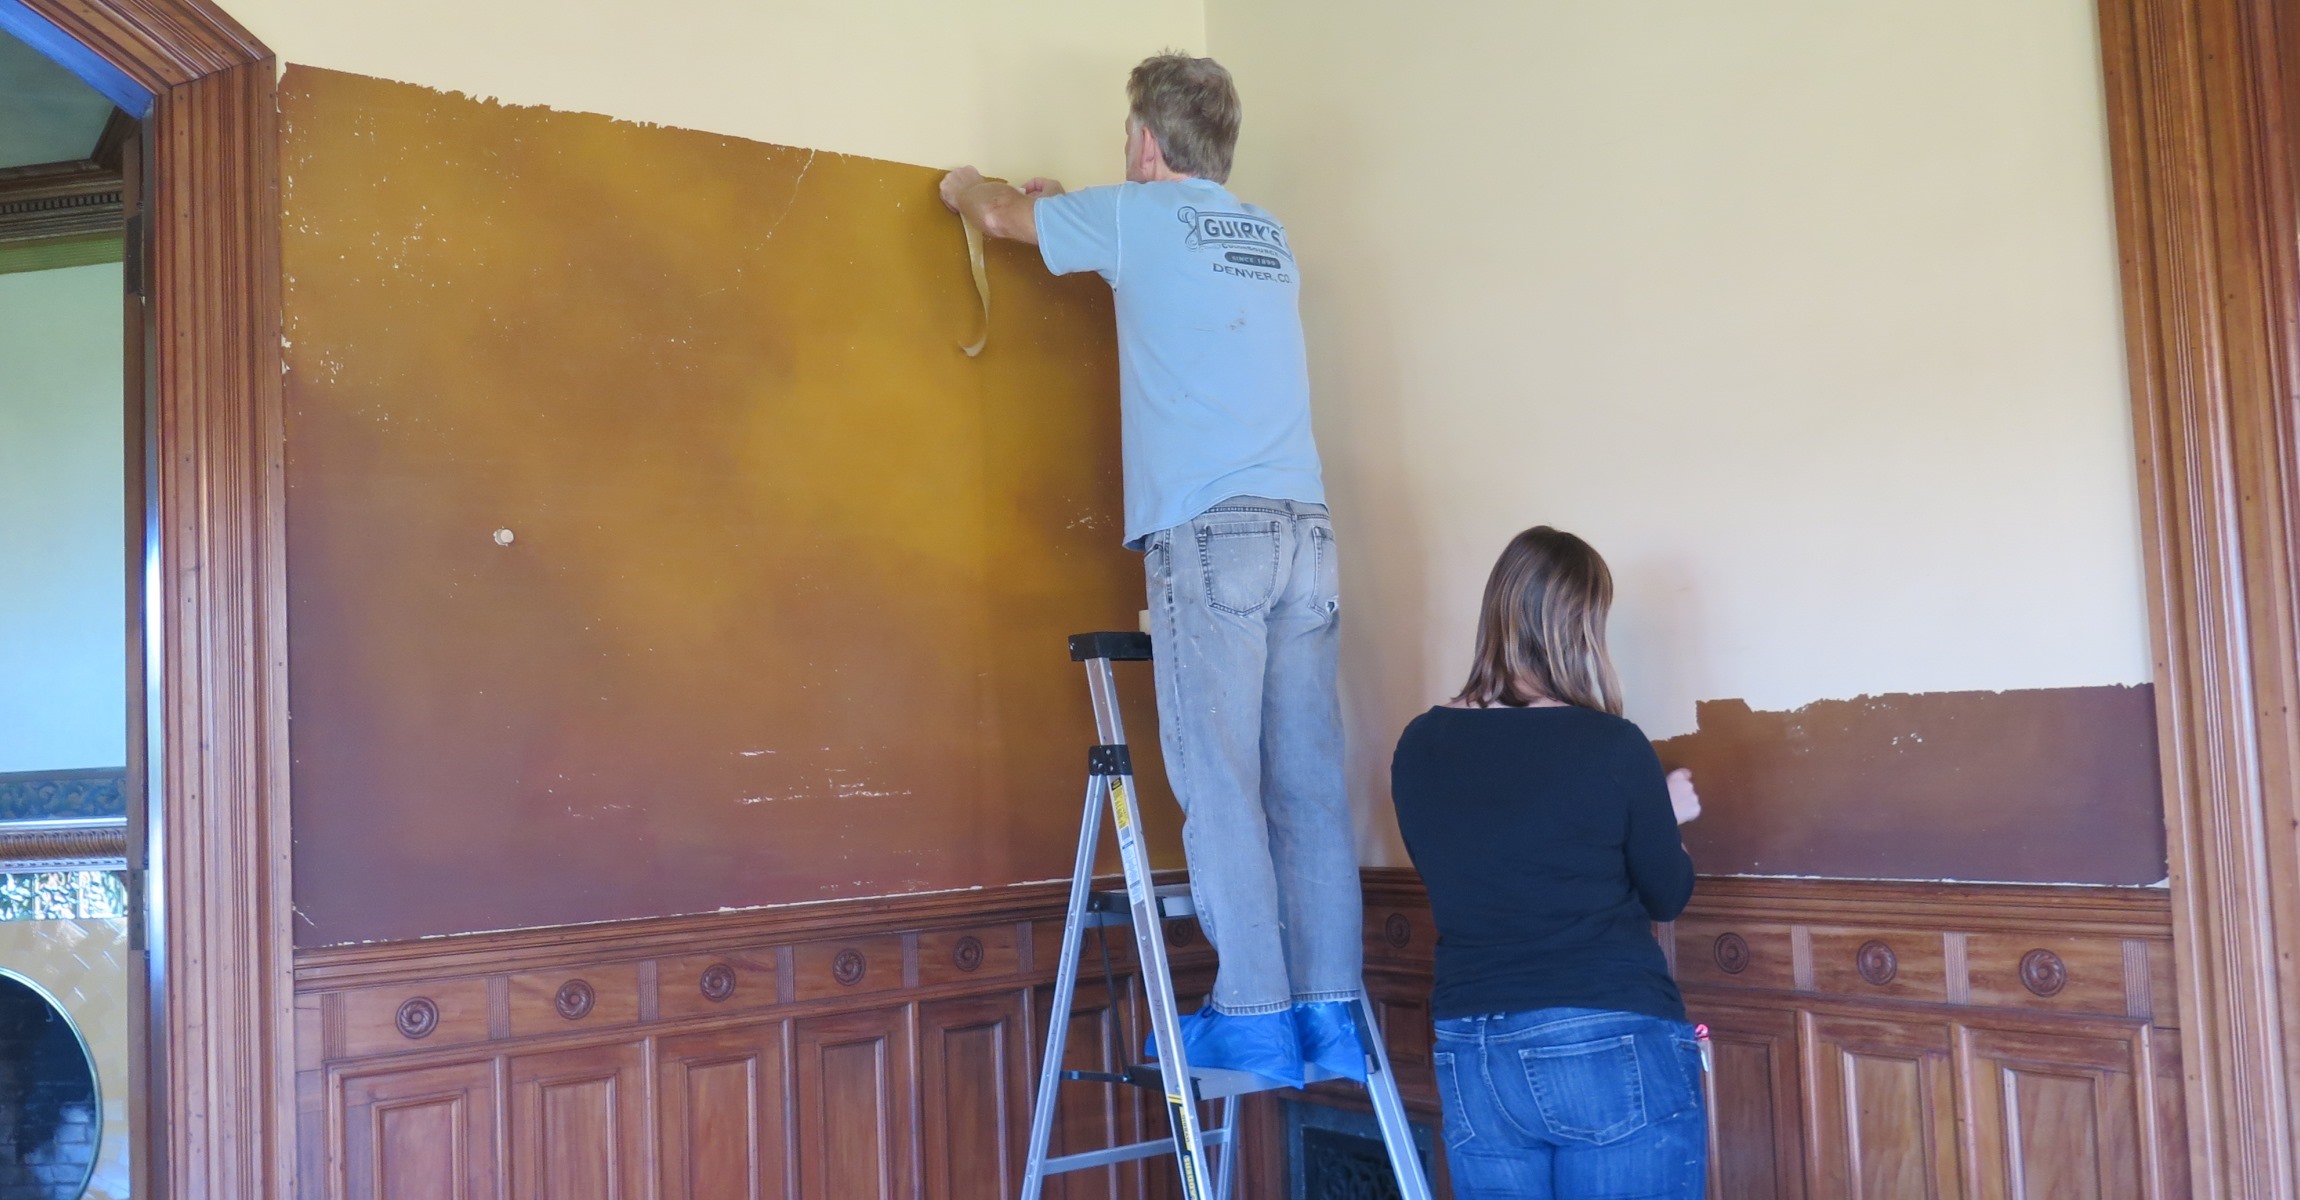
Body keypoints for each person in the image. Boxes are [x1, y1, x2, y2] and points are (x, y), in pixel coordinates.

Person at [938, 53, 1360, 1088]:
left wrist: (963, 186)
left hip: (1210, 535)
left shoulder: (1133, 214)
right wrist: (1081, 211)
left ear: (1143, 145)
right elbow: (1151, 247)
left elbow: (996, 217)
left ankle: (1253, 1014)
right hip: (1307, 534)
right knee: (1305, 788)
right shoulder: (1266, 235)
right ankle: (1330, 1013)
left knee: (1218, 779)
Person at [1390, 526, 1708, 1197]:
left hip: (1471, 1045)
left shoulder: (1419, 745)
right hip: (1603, 1033)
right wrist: (1666, 815)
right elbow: (1666, 894)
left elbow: (1457, 869)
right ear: (1579, 626)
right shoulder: (1611, 746)